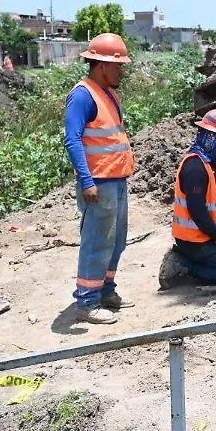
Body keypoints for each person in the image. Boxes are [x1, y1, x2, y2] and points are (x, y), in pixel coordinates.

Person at [64, 33, 135, 325]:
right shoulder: (82, 95)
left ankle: (105, 290)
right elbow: (73, 140)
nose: (122, 70)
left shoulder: (106, 92)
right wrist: (87, 181)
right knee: (96, 243)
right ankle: (87, 302)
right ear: (101, 65)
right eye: (117, 65)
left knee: (115, 242)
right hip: (98, 183)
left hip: (115, 181)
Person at [158, 109, 216, 289]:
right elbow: (197, 210)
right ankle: (183, 266)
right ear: (214, 139)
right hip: (194, 241)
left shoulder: (208, 162)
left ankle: (186, 260)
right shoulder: (196, 168)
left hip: (202, 236)